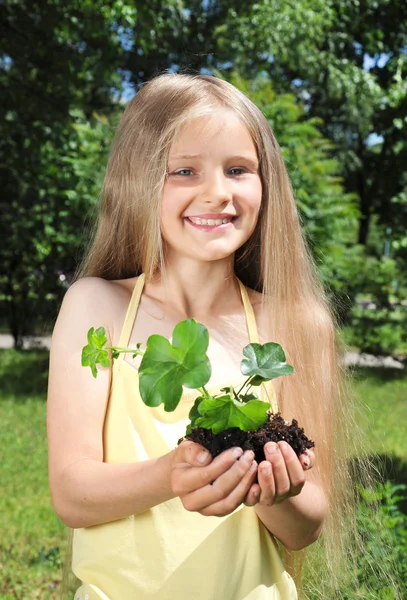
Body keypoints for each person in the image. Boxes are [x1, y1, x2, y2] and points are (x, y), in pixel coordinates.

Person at [47, 73, 348, 600]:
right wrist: (172, 475)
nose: (217, 192)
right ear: (138, 180)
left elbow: (307, 525)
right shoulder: (96, 307)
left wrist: (275, 489)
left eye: (238, 169)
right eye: (184, 170)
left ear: (265, 183)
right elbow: (72, 493)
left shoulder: (298, 324)